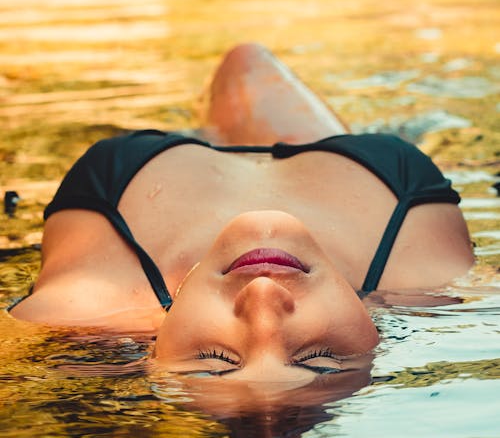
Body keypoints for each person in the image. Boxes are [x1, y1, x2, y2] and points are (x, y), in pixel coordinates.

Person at [10, 43, 474, 387]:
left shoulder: (81, 306)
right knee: (249, 60)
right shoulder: (430, 284)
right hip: (362, 170)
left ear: (153, 351)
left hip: (138, 181)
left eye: (215, 360)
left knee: (242, 63)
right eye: (320, 360)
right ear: (377, 342)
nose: (263, 299)